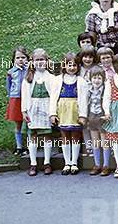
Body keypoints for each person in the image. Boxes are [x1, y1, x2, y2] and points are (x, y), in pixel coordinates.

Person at [49, 53, 89, 175]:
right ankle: (67, 162)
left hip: (75, 110)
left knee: (76, 136)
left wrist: (83, 115)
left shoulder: (81, 81)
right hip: (62, 110)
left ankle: (74, 163)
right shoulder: (57, 80)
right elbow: (53, 98)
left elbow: (84, 99)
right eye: (69, 65)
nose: (72, 68)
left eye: (75, 65)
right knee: (65, 136)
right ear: (64, 66)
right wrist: (52, 113)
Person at [21, 48, 56, 176]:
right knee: (33, 136)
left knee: (47, 135)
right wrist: (24, 111)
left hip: (46, 107)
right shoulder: (28, 78)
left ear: (47, 61)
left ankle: (47, 162)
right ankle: (33, 163)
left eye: (42, 60)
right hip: (32, 108)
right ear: (32, 62)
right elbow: (24, 96)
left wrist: (53, 112)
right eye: (37, 60)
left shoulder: (51, 78)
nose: (40, 62)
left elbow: (54, 96)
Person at [85, 66, 112, 176]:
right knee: (95, 142)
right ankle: (97, 164)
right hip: (92, 116)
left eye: (99, 78)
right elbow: (85, 103)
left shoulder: (105, 90)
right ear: (90, 79)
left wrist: (107, 114)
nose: (96, 80)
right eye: (94, 78)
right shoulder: (88, 89)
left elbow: (107, 102)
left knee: (104, 141)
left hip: (102, 117)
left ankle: (106, 165)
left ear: (103, 79)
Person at [6, 46, 29, 156]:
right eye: (18, 58)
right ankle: (19, 146)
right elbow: (9, 86)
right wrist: (11, 97)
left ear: (27, 59)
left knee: (29, 124)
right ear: (14, 59)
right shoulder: (11, 72)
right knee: (18, 125)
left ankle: (30, 146)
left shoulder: (29, 70)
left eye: (23, 57)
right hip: (16, 99)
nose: (20, 60)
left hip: (27, 99)